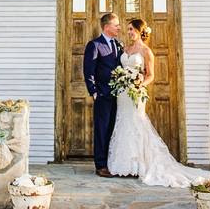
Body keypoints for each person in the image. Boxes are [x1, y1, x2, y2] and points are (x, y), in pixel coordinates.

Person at [106, 18, 201, 187]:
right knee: (123, 123)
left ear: (139, 31)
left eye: (132, 29)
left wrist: (138, 83)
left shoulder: (146, 51)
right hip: (122, 94)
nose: (129, 32)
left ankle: (139, 164)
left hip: (135, 93)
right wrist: (121, 78)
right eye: (127, 29)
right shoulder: (125, 48)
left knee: (136, 124)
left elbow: (150, 75)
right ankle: (124, 164)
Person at [82, 12, 122, 178]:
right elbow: (88, 70)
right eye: (116, 25)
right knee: (102, 130)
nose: (119, 27)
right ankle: (101, 165)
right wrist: (94, 92)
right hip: (103, 95)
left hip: (119, 96)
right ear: (107, 27)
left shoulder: (118, 45)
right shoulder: (95, 45)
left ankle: (113, 162)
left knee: (114, 129)